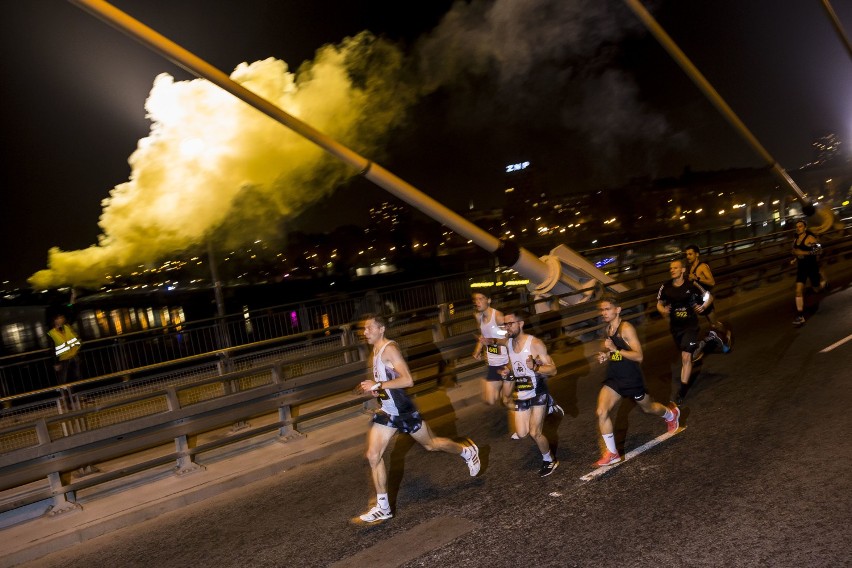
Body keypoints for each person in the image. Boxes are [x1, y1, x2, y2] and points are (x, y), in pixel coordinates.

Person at [356, 313, 480, 523]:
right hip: (387, 411)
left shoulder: (390, 350)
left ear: (381, 329)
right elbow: (389, 380)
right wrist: (378, 388)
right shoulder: (375, 351)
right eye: (364, 329)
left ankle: (466, 451)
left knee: (431, 445)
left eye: (369, 328)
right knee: (373, 455)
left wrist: (378, 385)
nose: (365, 332)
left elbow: (408, 380)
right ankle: (383, 507)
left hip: (403, 411)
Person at [594, 296, 680, 466]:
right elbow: (616, 353)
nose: (604, 313)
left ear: (617, 310)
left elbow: (638, 356)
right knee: (601, 412)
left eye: (607, 309)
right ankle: (612, 453)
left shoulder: (626, 328)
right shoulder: (608, 329)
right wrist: (607, 355)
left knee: (649, 408)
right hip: (614, 377)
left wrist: (615, 349)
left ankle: (671, 414)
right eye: (602, 310)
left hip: (631, 378)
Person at [499, 309, 560, 477]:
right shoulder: (508, 343)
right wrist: (508, 371)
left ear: (521, 324)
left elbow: (553, 370)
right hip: (523, 391)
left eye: (510, 323)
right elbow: (515, 365)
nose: (507, 327)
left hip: (538, 391)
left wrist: (536, 367)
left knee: (535, 432)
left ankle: (549, 460)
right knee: (521, 433)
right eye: (505, 324)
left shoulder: (535, 344)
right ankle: (549, 408)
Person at [657, 258, 713, 405]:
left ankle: (682, 391)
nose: (672, 270)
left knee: (685, 357)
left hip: (690, 325)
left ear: (682, 270)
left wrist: (704, 306)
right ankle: (701, 344)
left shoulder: (691, 284)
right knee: (686, 353)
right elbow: (659, 303)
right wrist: (663, 310)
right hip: (676, 327)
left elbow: (709, 296)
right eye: (671, 268)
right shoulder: (665, 287)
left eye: (675, 268)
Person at [470, 291, 513, 406]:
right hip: (493, 364)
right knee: (490, 400)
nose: (477, 302)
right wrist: (477, 351)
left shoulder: (498, 316)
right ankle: (502, 386)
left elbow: (508, 338)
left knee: (506, 400)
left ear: (488, 300)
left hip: (507, 363)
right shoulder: (479, 317)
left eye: (481, 299)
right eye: (475, 300)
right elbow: (483, 336)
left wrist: (492, 341)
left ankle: (524, 411)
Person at [791, 219, 826, 326]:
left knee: (816, 288)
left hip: (811, 267)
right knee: (798, 290)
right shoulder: (795, 240)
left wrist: (803, 252)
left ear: (805, 227)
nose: (798, 228)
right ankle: (800, 316)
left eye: (800, 226)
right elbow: (795, 251)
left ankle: (823, 282)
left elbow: (819, 250)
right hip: (802, 268)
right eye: (797, 226)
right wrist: (795, 258)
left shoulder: (809, 238)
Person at [684, 244, 718, 325]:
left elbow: (712, 282)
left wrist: (697, 278)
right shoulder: (690, 268)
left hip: (706, 299)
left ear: (697, 254)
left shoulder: (703, 266)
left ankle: (727, 334)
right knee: (709, 323)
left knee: (714, 324)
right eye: (687, 254)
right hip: (698, 300)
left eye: (690, 254)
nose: (688, 256)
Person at [47, 313, 82, 386]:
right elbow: (53, 349)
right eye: (59, 318)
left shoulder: (66, 327)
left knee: (77, 377)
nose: (61, 319)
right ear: (55, 320)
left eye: (62, 318)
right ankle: (66, 396)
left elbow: (73, 316)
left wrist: (72, 304)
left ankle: (78, 396)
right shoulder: (52, 333)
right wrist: (55, 363)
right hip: (63, 359)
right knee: (63, 381)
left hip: (74, 356)